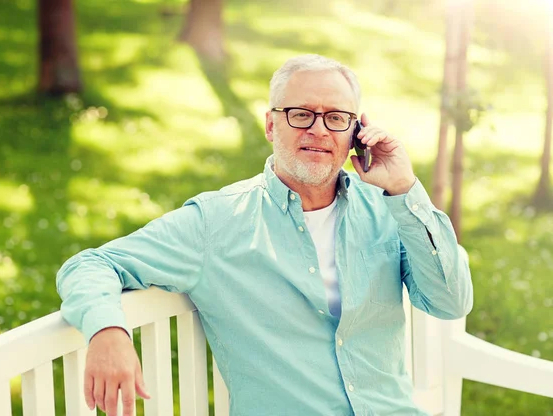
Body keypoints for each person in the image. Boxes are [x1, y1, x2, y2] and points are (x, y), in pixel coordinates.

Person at [56, 54, 473, 416]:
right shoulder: (214, 222)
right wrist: (107, 331)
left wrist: (403, 190)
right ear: (271, 125)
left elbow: (450, 301)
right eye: (301, 114)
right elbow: (91, 264)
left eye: (336, 117)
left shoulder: (387, 208)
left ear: (356, 132)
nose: (319, 130)